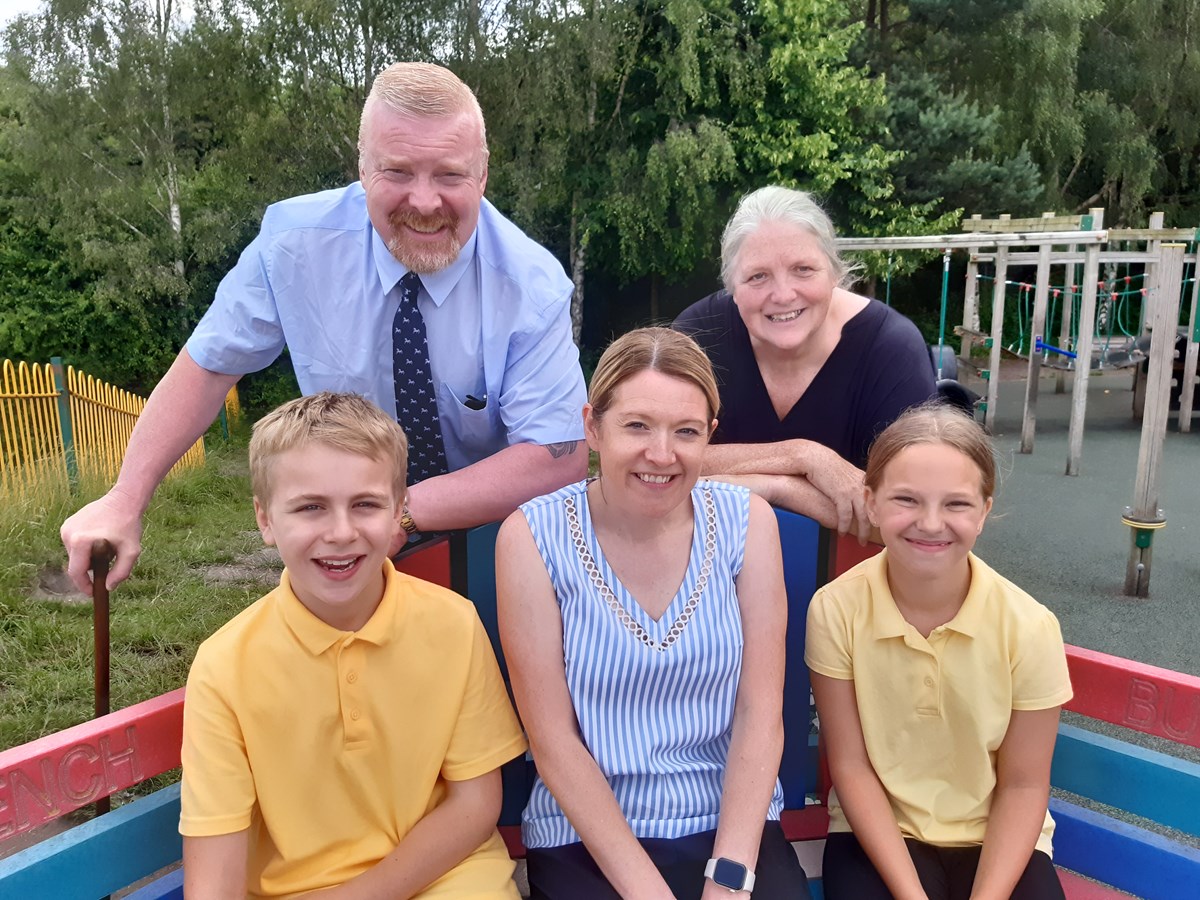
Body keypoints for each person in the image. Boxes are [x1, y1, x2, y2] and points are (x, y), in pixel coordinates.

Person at [60, 61, 587, 593]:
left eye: (450, 175)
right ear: (362, 169)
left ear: (483, 174)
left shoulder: (531, 286)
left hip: (491, 539)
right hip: (341, 538)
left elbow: (555, 458)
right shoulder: (293, 246)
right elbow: (208, 368)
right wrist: (124, 499)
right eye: (397, 172)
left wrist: (398, 513)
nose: (425, 202)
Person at [496, 327, 811, 900]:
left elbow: (759, 713)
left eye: (686, 432)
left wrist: (731, 876)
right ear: (593, 427)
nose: (661, 454)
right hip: (586, 833)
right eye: (637, 425)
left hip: (729, 823)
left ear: (710, 436)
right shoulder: (533, 538)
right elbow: (554, 740)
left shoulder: (747, 524)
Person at [179, 392, 527, 899]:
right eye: (311, 507)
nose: (341, 533)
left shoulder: (452, 623)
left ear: (398, 511)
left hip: (445, 875)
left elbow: (474, 806)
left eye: (365, 504)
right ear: (265, 520)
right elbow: (214, 883)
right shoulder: (224, 668)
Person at [805, 403, 1072, 900]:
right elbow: (852, 768)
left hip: (997, 837)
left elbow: (1023, 785)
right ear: (871, 501)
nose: (930, 523)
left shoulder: (1030, 627)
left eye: (957, 504)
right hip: (879, 833)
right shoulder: (836, 610)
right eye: (906, 499)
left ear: (985, 511)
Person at [674, 186, 935, 541]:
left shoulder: (890, 350)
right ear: (732, 288)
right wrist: (805, 458)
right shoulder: (698, 338)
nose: (782, 295)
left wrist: (781, 490)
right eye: (757, 276)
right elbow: (661, 462)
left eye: (803, 269)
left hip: (847, 584)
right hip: (715, 577)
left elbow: (914, 520)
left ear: (835, 274)